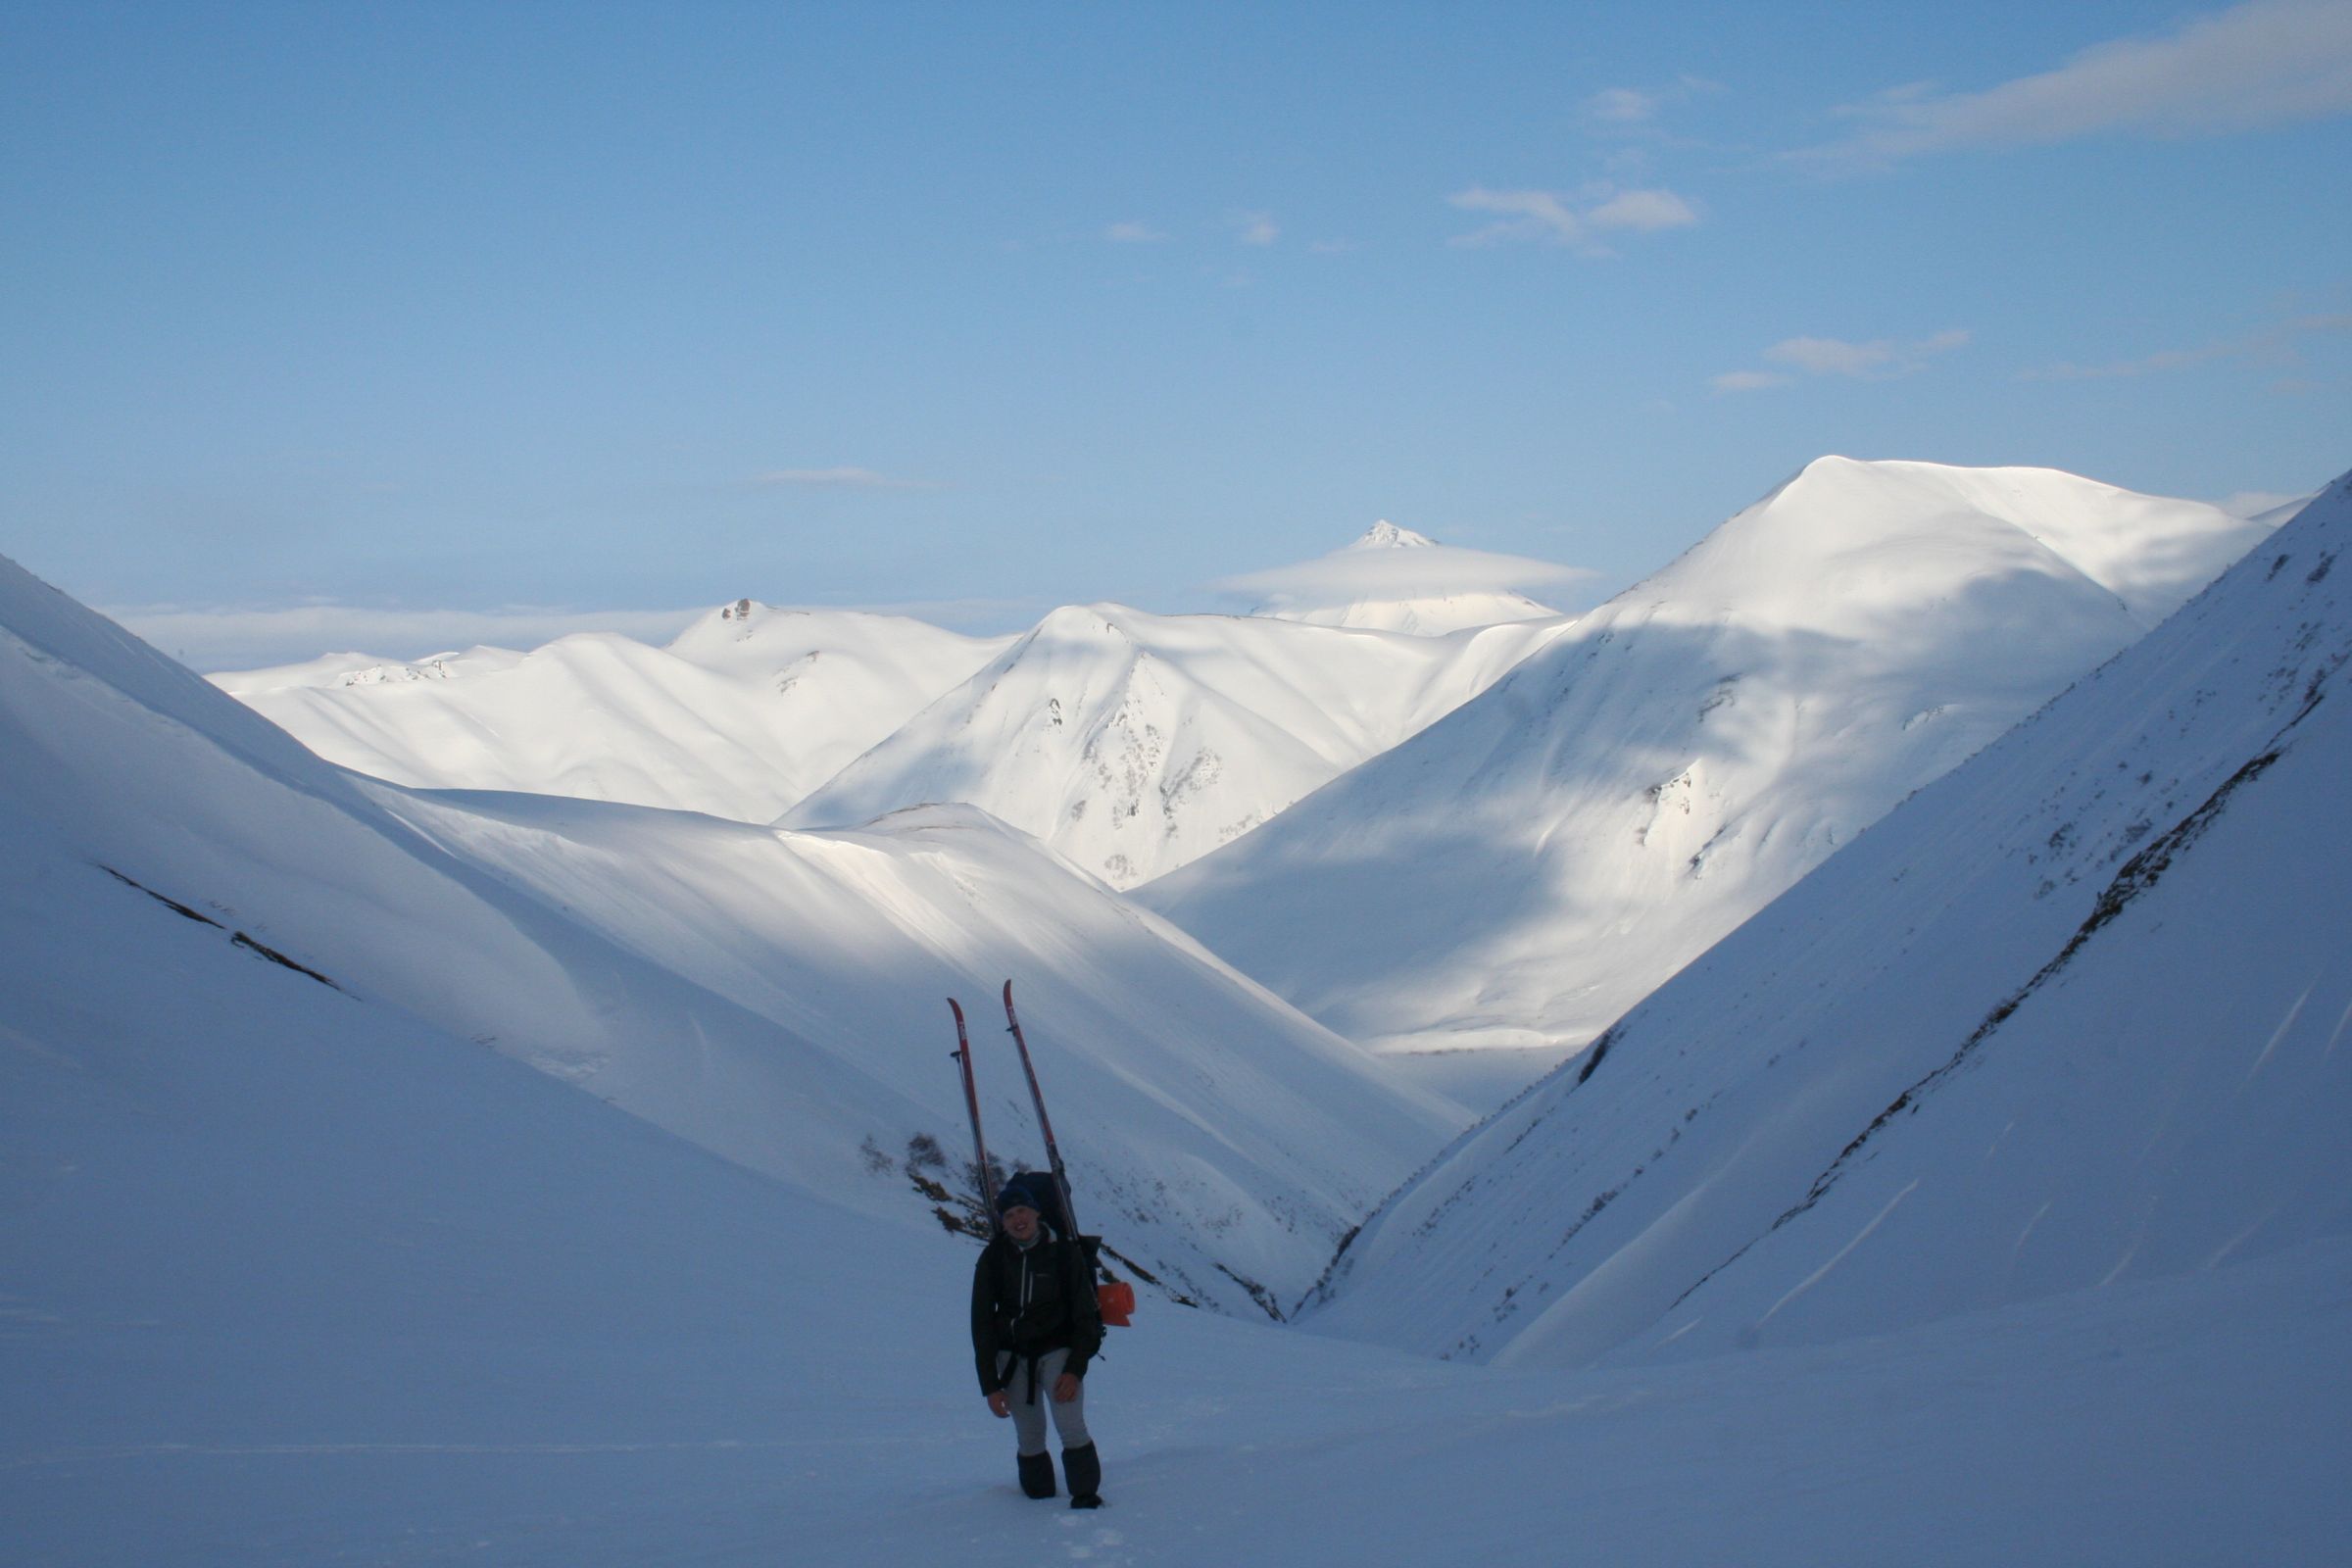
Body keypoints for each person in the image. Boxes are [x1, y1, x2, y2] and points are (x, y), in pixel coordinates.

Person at [970, 1176, 1105, 1507]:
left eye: (1021, 1211)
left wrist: (1075, 1369)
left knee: (1070, 1425)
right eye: (1008, 1215)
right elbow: (982, 1324)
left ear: (1036, 1212)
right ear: (1002, 1222)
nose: (1017, 1220)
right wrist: (991, 1385)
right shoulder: (993, 1258)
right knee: (1029, 1436)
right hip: (1013, 1357)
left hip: (1059, 1351)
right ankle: (1038, 1505)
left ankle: (1086, 1498)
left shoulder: (1064, 1253)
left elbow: (1086, 1317)